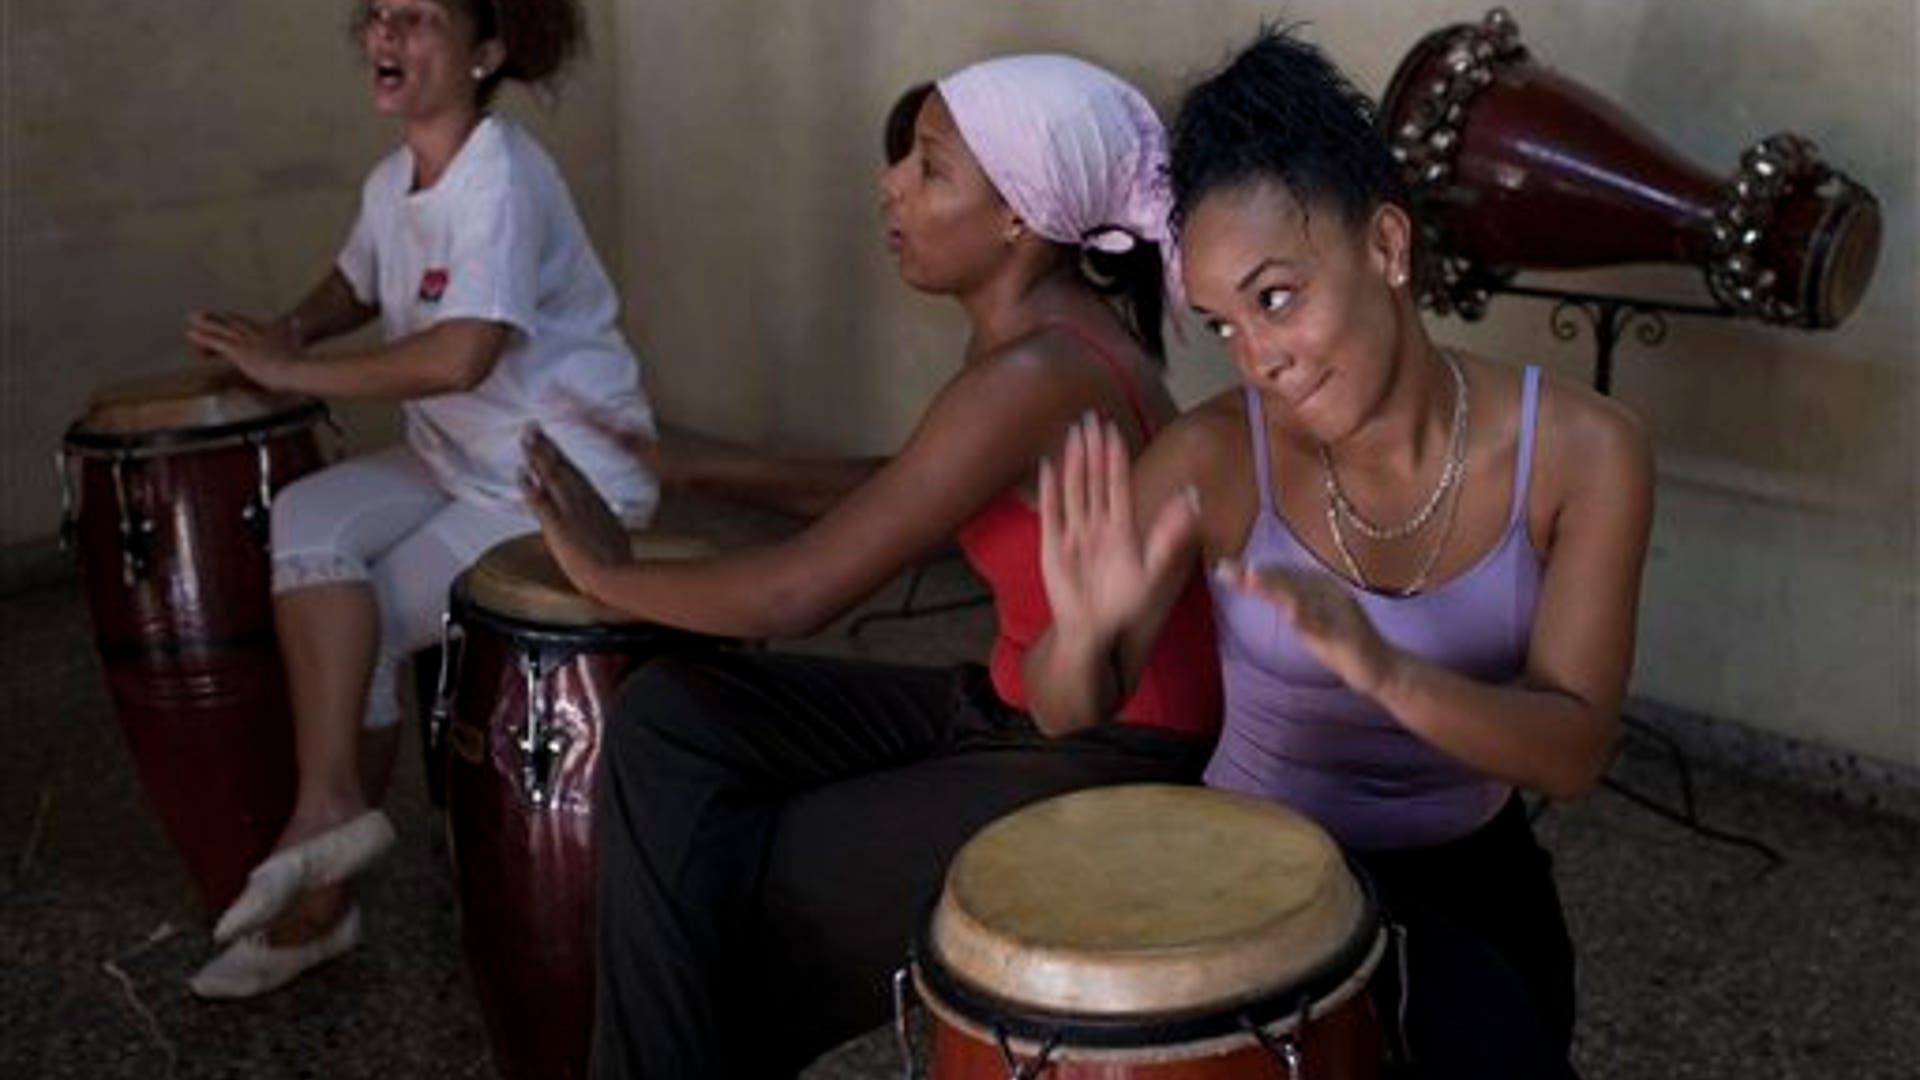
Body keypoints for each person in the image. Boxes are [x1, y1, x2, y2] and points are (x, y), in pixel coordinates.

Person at [521, 56, 1223, 1078]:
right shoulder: (1046, 337)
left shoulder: (1035, 373)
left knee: (737, 873)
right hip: (1018, 704)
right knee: (673, 719)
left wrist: (601, 577)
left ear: (1018, 218)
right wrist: (692, 466)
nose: (890, 185)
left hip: (1101, 745)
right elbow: (914, 485)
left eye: (930, 170)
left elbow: (800, 592)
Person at [1025, 28, 1654, 1079]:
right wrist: (1083, 636)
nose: (1261, 357)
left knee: (1486, 1033)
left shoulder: (1584, 453)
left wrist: (1383, 668)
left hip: (1470, 877)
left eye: (1277, 298)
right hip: (1249, 878)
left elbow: (1574, 751)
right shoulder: (1214, 455)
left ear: (1388, 248)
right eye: (1223, 325)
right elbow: (1059, 706)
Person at [181, 0, 657, 998]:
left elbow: (462, 353)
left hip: (558, 476)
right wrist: (286, 331)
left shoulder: (504, 173)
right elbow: (358, 280)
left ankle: (320, 898)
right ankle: (328, 816)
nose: (387, 34)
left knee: (370, 615)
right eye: (378, 15)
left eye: (421, 17)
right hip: (459, 459)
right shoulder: (393, 180)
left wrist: (295, 374)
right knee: (309, 522)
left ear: (487, 50)